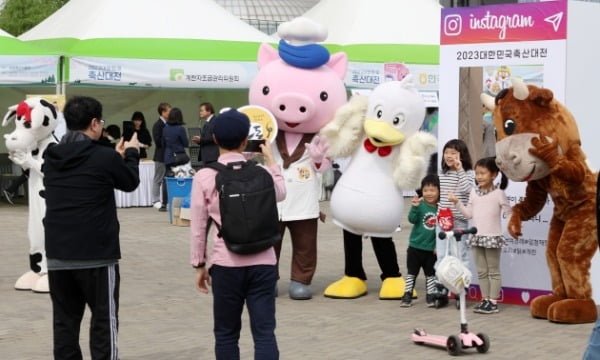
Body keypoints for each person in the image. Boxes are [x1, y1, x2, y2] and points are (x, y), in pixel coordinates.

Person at [42, 95, 140, 359]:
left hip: (58, 253)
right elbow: (130, 182)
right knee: (103, 323)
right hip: (96, 254)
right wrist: (130, 152)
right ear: (95, 124)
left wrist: (114, 157)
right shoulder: (104, 157)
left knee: (64, 324)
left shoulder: (51, 157)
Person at [190, 108, 286, 360]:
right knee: (265, 332)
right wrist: (271, 162)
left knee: (226, 333)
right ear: (246, 140)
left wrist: (199, 265)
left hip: (225, 264)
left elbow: (199, 227)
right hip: (264, 263)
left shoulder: (205, 176)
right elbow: (281, 193)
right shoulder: (262, 173)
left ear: (215, 140)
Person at [449, 157, 511, 314]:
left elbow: (509, 213)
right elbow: (468, 214)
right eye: (477, 173)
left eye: (483, 173)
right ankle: (485, 299)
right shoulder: (473, 193)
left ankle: (493, 302)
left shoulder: (499, 193)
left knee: (493, 271)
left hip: (492, 237)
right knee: (482, 271)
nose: (479, 177)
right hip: (476, 237)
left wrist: (514, 225)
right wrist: (457, 202)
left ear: (494, 174)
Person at [401, 174, 440, 308]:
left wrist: (437, 246)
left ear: (439, 192)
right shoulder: (420, 205)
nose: (429, 193)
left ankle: (430, 295)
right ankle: (407, 295)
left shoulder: (440, 209)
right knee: (412, 273)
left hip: (430, 250)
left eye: (433, 190)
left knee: (431, 275)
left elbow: (441, 230)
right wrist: (415, 207)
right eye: (426, 190)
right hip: (415, 248)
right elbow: (411, 219)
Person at [436, 138, 475, 269]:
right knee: (441, 256)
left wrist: (459, 170)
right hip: (442, 220)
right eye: (446, 152)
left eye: (453, 153)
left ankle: (461, 288)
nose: (448, 156)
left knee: (459, 256)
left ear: (462, 155)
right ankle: (442, 286)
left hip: (459, 221)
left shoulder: (469, 173)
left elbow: (467, 190)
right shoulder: (441, 173)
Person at [152, 102, 171, 211]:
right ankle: (155, 200)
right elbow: (158, 141)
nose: (170, 113)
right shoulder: (158, 125)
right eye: (169, 111)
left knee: (167, 179)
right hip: (160, 156)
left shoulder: (169, 124)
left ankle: (166, 200)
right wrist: (168, 138)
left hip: (169, 156)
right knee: (158, 179)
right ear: (163, 112)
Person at [162, 107, 189, 174]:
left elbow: (163, 143)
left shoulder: (165, 128)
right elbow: (186, 144)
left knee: (169, 178)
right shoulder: (180, 129)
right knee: (182, 177)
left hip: (168, 158)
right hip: (179, 157)